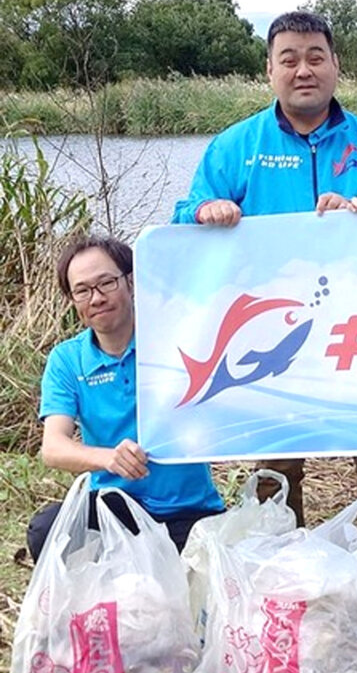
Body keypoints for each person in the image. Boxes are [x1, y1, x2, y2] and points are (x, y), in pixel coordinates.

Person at [173, 10, 357, 538]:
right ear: (270, 70)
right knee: (276, 456)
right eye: (290, 59)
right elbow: (183, 214)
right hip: (271, 327)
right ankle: (278, 564)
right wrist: (206, 212)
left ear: (335, 66)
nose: (304, 70)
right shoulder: (236, 145)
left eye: (316, 57)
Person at [28, 236, 225, 560]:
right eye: (83, 290)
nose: (97, 298)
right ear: (73, 299)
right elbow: (53, 447)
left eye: (106, 282)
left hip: (189, 511)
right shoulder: (67, 359)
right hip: (114, 509)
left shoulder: (177, 339)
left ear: (131, 282)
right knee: (47, 531)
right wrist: (108, 458)